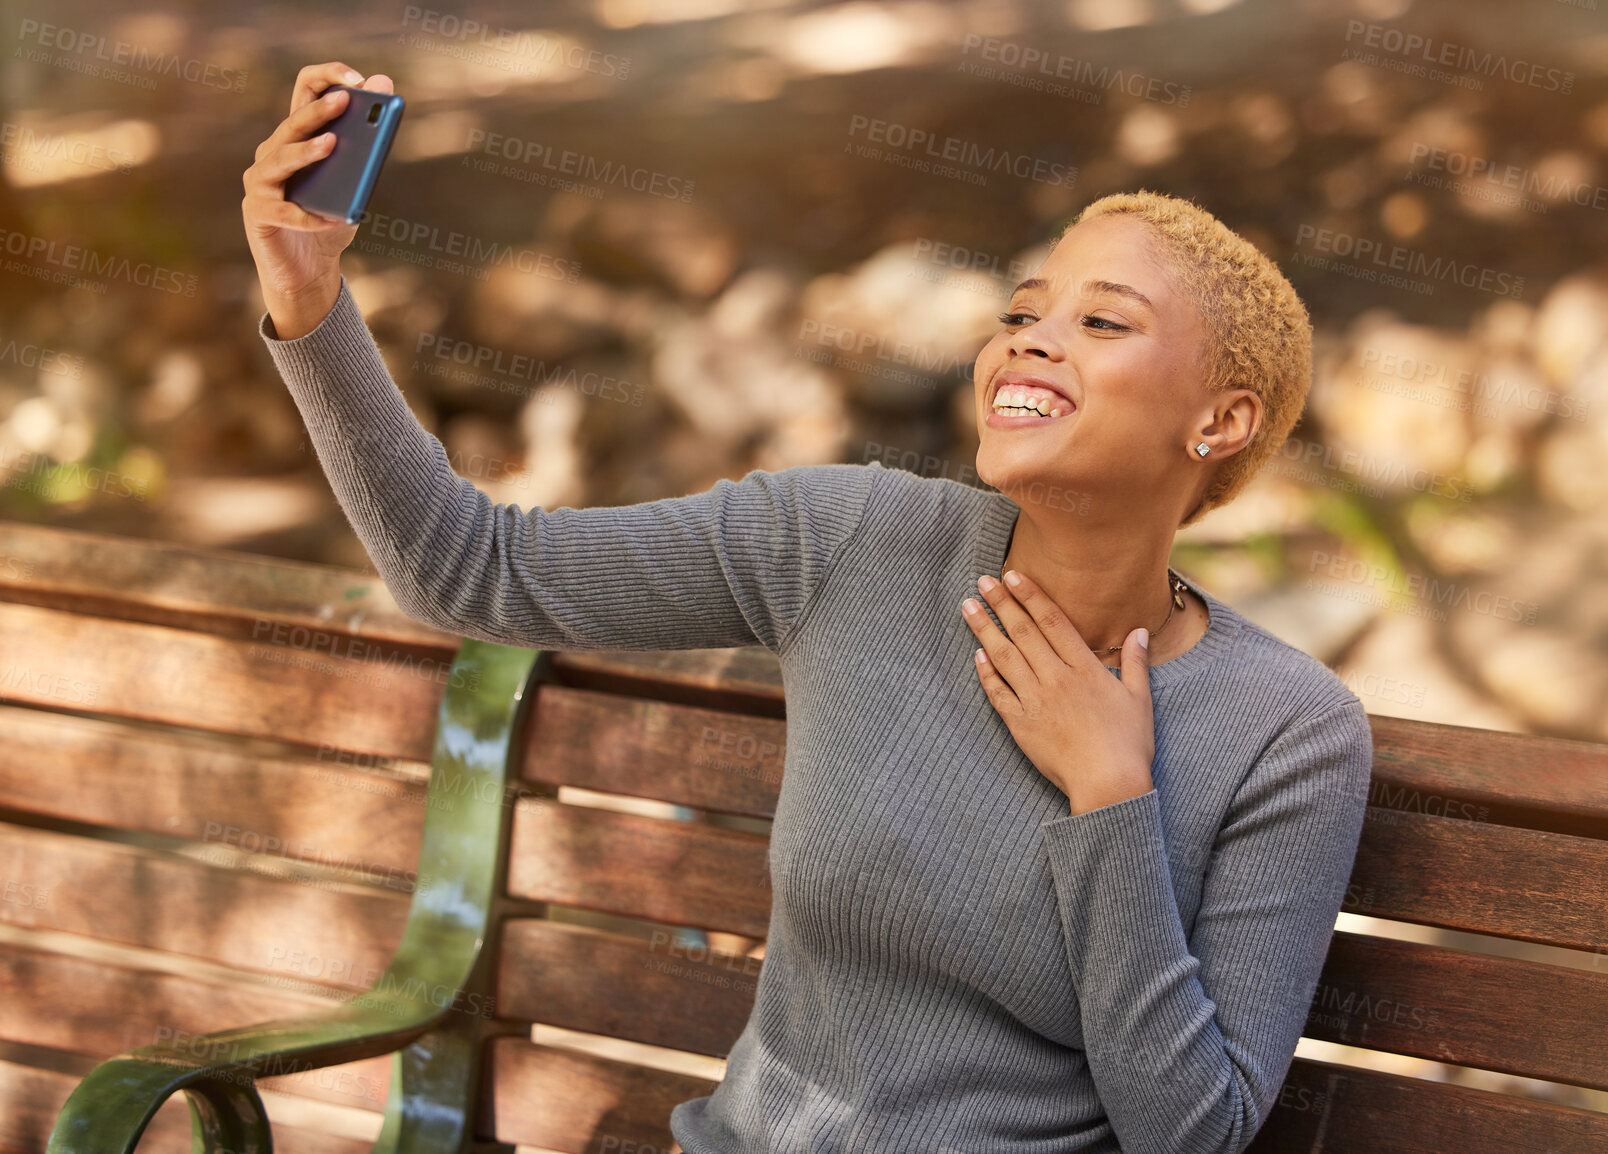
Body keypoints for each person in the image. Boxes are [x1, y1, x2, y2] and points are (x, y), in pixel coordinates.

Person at [244, 62, 1373, 1154]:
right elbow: (471, 568)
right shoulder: (848, 538)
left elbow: (1193, 1129)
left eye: (1103, 323)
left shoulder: (1288, 729)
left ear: (1221, 422)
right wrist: (308, 299)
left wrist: (1112, 795)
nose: (1029, 338)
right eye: (1023, 311)